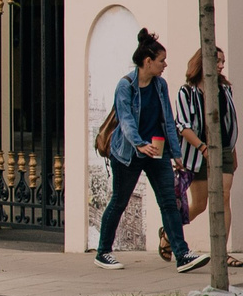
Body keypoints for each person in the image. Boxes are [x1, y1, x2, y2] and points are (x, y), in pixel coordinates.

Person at [99, 27, 206, 271]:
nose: (165, 64)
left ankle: (182, 254)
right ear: (148, 61)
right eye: (161, 60)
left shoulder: (160, 85)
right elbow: (125, 121)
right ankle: (103, 252)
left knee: (170, 202)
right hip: (129, 153)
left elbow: (168, 119)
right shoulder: (125, 86)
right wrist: (139, 144)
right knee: (119, 202)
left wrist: (176, 153)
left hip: (156, 152)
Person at [170, 45, 239, 264]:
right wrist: (203, 148)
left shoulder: (225, 90)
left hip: (224, 150)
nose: (221, 66)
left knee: (224, 197)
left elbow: (229, 122)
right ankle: (168, 232)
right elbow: (182, 125)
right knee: (200, 204)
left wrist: (233, 150)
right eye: (217, 61)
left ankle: (221, 253)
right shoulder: (186, 91)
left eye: (223, 62)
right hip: (196, 153)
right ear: (204, 62)